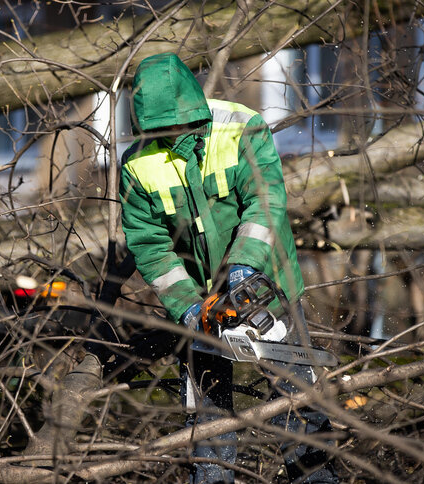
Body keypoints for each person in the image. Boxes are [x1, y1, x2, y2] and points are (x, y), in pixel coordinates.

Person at [119, 52, 338, 484]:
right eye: (158, 128)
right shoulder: (136, 163)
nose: (168, 134)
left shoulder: (241, 127)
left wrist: (243, 270)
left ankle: (316, 478)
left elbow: (267, 200)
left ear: (192, 108)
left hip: (265, 283)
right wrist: (187, 307)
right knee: (208, 417)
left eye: (174, 124)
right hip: (201, 298)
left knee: (297, 396)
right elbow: (150, 245)